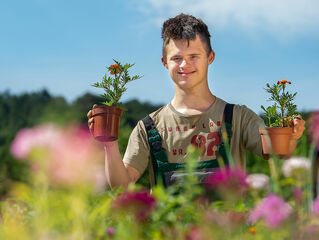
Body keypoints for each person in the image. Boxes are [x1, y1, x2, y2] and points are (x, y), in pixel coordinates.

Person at [87, 13, 305, 189]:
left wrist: (292, 135)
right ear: (165, 62)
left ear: (210, 57)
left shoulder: (239, 117)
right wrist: (109, 144)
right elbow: (121, 184)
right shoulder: (148, 127)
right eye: (176, 58)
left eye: (194, 56)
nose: (184, 65)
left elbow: (279, 152)